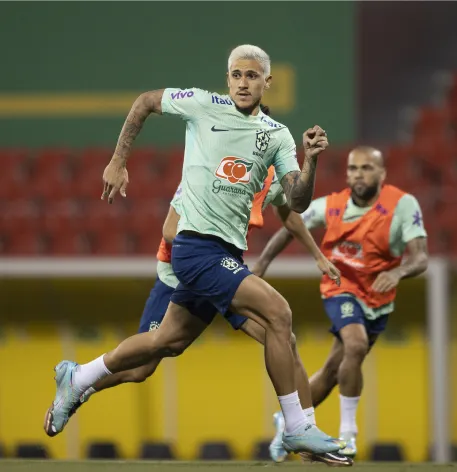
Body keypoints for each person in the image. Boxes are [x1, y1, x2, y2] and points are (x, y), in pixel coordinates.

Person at [44, 44, 343, 457]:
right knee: (279, 316)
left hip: (226, 257)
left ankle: (77, 379)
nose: (243, 82)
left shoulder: (275, 138)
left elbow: (295, 202)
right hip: (192, 252)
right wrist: (118, 160)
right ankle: (298, 428)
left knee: (166, 342)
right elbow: (147, 101)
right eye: (236, 74)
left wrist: (310, 162)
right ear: (227, 78)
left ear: (266, 83)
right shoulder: (203, 106)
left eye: (252, 76)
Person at [252, 146, 429, 459]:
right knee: (356, 345)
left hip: (378, 296)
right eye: (353, 169)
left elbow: (421, 257)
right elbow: (291, 225)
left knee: (335, 369)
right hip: (340, 286)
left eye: (366, 168)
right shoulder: (331, 205)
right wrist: (262, 264)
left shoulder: (402, 205)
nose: (358, 174)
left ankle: (290, 424)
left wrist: (399, 272)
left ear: (381, 174)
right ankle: (349, 433)